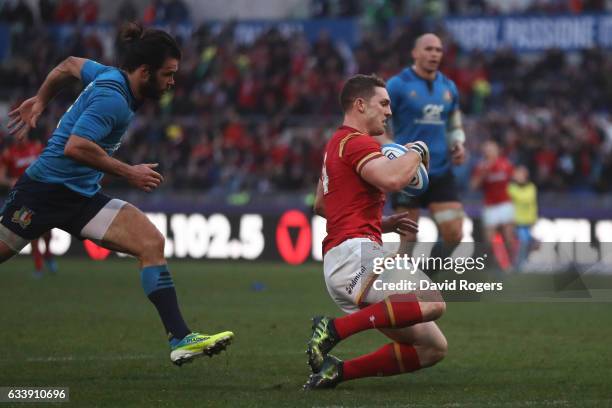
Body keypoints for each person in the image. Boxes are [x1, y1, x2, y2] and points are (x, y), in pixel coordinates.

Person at [0, 22, 233, 365]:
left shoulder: (109, 76)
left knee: (150, 242)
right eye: (167, 74)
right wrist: (129, 171)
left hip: (81, 197)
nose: (172, 82)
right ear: (144, 71)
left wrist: (41, 100)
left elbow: (68, 65)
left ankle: (181, 338)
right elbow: (76, 147)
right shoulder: (114, 100)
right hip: (43, 192)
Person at [304, 74, 447, 390]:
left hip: (344, 261)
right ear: (359, 105)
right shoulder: (356, 142)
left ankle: (336, 372)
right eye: (383, 103)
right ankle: (333, 329)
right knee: (432, 301)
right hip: (356, 253)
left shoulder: (334, 146)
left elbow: (321, 205)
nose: (389, 111)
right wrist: (416, 150)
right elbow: (393, 181)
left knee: (432, 347)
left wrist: (381, 224)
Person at [384, 33, 467, 268]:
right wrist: (389, 149)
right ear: (415, 53)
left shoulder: (449, 87)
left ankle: (425, 276)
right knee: (407, 240)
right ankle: (396, 290)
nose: (434, 54)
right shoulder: (397, 85)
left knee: (455, 234)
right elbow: (378, 125)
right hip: (409, 172)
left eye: (438, 50)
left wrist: (458, 143)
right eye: (429, 49)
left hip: (440, 170)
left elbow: (453, 124)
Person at [0, 134, 57, 277]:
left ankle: (48, 254)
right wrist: (11, 181)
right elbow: (1, 177)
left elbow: (49, 164)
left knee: (47, 231)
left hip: (42, 194)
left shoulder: (37, 147)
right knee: (30, 231)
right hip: (23, 198)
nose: (21, 137)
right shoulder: (9, 153)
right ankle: (39, 267)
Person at [470, 140, 514, 271]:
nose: (489, 151)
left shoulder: (505, 163)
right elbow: (473, 186)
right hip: (490, 206)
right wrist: (483, 174)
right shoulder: (481, 166)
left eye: (491, 148)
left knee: (508, 236)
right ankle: (501, 263)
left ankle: (511, 263)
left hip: (505, 203)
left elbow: (515, 177)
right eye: (487, 149)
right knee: (490, 240)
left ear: (497, 150)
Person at [507, 165, 538, 270]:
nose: (516, 175)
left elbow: (529, 200)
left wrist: (533, 219)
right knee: (518, 243)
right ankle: (517, 264)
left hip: (527, 221)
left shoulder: (531, 187)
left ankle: (521, 263)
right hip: (514, 221)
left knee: (525, 243)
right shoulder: (511, 187)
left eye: (519, 173)